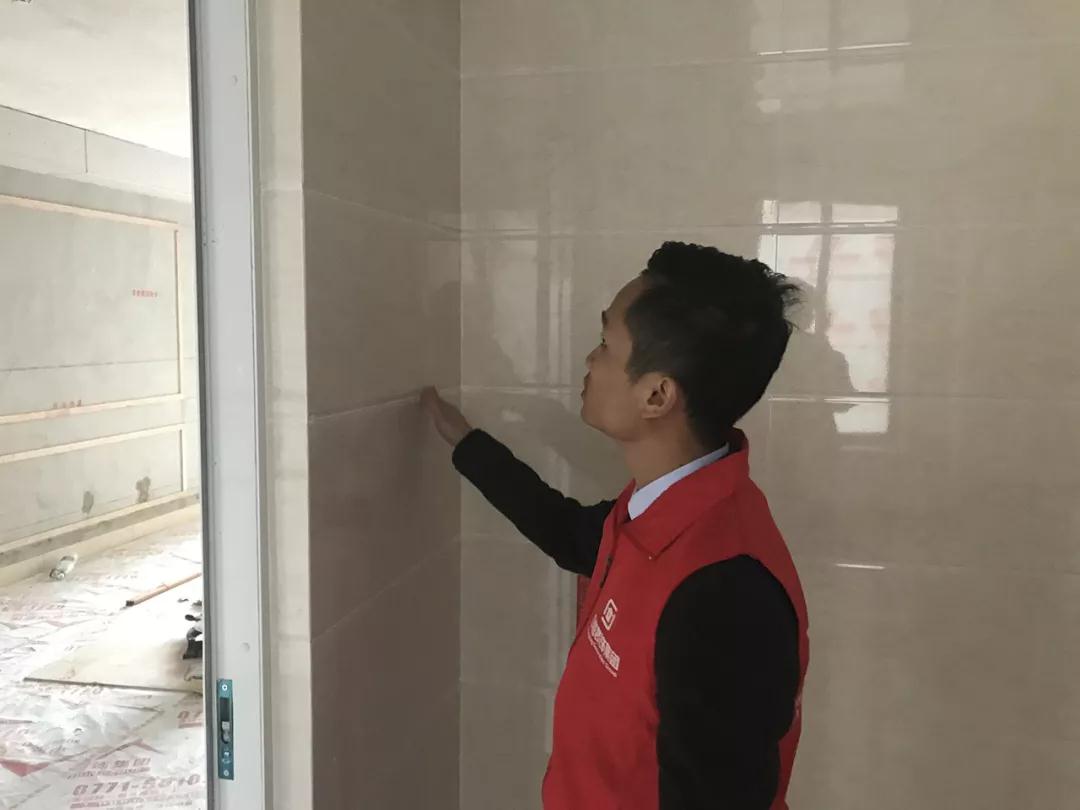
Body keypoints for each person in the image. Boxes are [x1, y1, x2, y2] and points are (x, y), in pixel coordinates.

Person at [421, 241, 809, 810]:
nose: (590, 359)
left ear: (656, 395)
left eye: (605, 342)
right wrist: (465, 442)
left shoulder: (724, 591)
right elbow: (572, 533)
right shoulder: (666, 508)